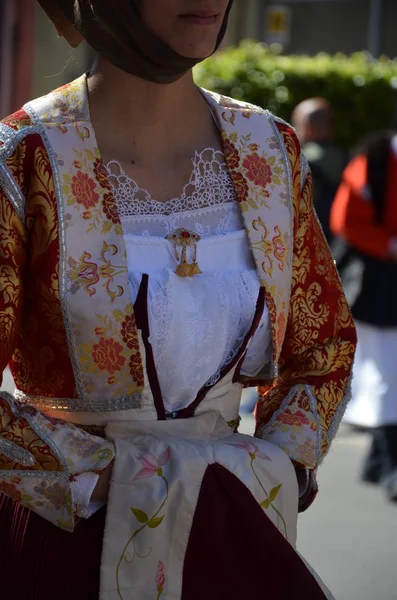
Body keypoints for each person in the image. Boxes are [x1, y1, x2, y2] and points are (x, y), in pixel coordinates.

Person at [0, 1, 356, 598]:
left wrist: (273, 466)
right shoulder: (24, 159)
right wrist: (99, 476)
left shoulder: (270, 148)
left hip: (228, 530)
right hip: (68, 543)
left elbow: (322, 347)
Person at [331, 130, 397, 502]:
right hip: (378, 286)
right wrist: (390, 245)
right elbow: (347, 219)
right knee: (387, 375)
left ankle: (377, 463)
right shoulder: (372, 161)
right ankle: (391, 467)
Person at [292, 97, 346, 244]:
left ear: (307, 126)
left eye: (296, 123)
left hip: (311, 240)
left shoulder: (300, 160)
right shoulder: (344, 155)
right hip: (338, 238)